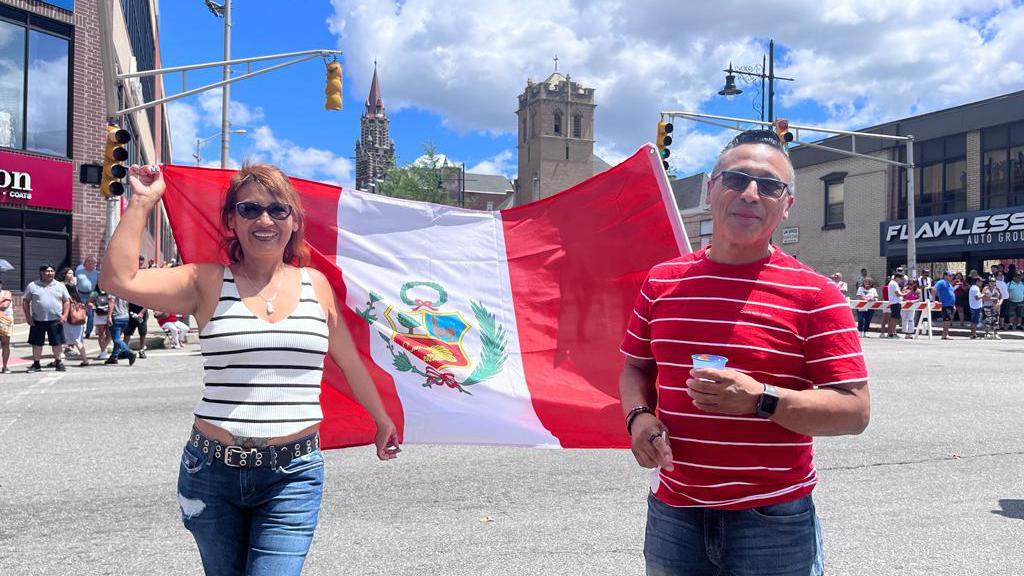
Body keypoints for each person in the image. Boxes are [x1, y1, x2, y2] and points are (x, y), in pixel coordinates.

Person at [101, 162, 400, 575]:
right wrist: (143, 200)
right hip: (210, 472)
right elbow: (117, 279)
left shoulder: (316, 285)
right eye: (250, 209)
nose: (265, 219)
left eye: (278, 209)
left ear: (294, 220)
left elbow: (347, 361)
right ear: (231, 219)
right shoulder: (205, 282)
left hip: (293, 475)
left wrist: (381, 419)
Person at [618, 129, 869, 576]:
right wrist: (638, 417)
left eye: (770, 185)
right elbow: (635, 367)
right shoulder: (661, 282)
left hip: (771, 519)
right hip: (674, 512)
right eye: (736, 179)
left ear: (787, 203)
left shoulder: (817, 295)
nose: (751, 194)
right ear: (711, 190)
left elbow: (854, 412)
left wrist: (760, 400)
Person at [22, 264, 70, 373]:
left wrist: (65, 315)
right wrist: (28, 317)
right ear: (41, 273)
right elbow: (25, 301)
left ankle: (58, 362)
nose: (50, 273)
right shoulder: (33, 285)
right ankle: (36, 364)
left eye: (52, 271)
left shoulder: (60, 286)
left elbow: (67, 301)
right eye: (47, 272)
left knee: (57, 343)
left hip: (56, 319)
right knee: (37, 343)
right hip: (37, 320)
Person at [59, 267, 90, 366]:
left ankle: (85, 360)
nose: (71, 275)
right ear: (64, 274)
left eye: (72, 273)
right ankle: (58, 360)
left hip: (70, 315)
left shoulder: (69, 285)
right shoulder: (64, 285)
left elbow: (70, 299)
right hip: (72, 314)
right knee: (63, 339)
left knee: (73, 339)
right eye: (69, 273)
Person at [123, 256, 150, 359]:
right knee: (127, 331)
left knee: (142, 332)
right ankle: (125, 350)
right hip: (131, 309)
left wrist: (142, 312)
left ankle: (141, 350)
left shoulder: (145, 281)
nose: (139, 265)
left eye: (140, 264)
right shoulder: (130, 276)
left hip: (141, 310)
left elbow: (148, 299)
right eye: (137, 264)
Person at [105, 288, 137, 366]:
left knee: (116, 338)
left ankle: (129, 352)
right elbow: (127, 303)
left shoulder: (112, 290)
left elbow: (111, 302)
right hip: (125, 316)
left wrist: (109, 316)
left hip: (116, 316)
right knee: (118, 337)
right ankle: (114, 357)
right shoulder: (122, 290)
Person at [76, 255, 100, 338]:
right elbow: (75, 284)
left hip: (92, 295)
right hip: (80, 295)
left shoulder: (97, 274)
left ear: (95, 264)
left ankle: (88, 332)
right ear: (84, 263)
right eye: (88, 261)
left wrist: (92, 297)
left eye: (92, 262)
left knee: (91, 316)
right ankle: (79, 332)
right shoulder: (78, 272)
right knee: (79, 314)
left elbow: (98, 287)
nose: (90, 263)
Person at [931, 271, 956, 340]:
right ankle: (945, 335)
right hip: (946, 304)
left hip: (950, 305)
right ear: (945, 276)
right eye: (950, 276)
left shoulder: (949, 284)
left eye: (952, 276)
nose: (951, 277)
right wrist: (933, 300)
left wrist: (953, 305)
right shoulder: (942, 282)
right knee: (946, 320)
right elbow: (933, 289)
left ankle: (946, 334)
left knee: (948, 320)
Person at [91, 285, 112, 360]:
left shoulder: (111, 290)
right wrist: (93, 306)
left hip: (109, 314)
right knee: (101, 334)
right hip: (99, 314)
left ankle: (103, 349)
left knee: (110, 334)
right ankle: (103, 352)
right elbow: (90, 302)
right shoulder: (95, 292)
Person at [884, 271, 904, 338]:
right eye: (901, 279)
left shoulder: (892, 283)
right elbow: (897, 294)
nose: (901, 281)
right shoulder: (894, 284)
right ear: (897, 277)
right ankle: (892, 332)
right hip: (895, 302)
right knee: (894, 318)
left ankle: (892, 332)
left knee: (894, 318)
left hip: (895, 302)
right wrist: (905, 294)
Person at [0, 279, 12, 373]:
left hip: (5, 322)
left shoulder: (7, 293)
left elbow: (4, 306)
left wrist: (4, 300)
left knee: (5, 344)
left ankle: (5, 366)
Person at [968, 275, 984, 339]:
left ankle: (973, 334)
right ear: (977, 281)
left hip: (974, 306)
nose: (982, 283)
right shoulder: (975, 288)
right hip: (976, 307)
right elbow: (977, 297)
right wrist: (984, 294)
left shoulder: (973, 287)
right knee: (974, 321)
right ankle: (973, 334)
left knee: (974, 321)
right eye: (981, 281)